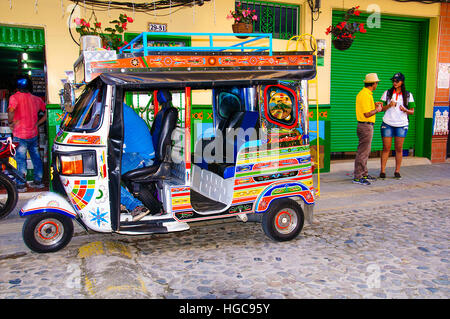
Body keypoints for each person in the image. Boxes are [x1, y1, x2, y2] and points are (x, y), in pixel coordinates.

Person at [8, 76, 46, 192]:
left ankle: (21, 184)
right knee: (36, 158)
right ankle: (38, 181)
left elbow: (11, 111)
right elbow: (46, 113)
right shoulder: (36, 99)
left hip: (20, 134)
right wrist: (38, 123)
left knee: (21, 160)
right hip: (33, 134)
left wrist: (11, 122)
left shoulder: (14, 97)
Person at [121, 103, 155, 221]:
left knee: (106, 174)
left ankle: (136, 206)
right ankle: (122, 200)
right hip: (133, 154)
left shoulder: (117, 111)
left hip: (141, 157)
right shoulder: (118, 108)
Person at [379, 72, 415, 180]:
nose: (395, 83)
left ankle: (397, 171)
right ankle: (383, 171)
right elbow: (380, 108)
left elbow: (412, 111)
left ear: (402, 82)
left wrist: (405, 110)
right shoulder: (387, 93)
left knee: (399, 148)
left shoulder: (408, 95)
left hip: (401, 124)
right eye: (393, 81)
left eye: (397, 81)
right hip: (388, 123)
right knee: (386, 148)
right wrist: (389, 105)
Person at [353, 73, 383, 185]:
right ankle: (358, 176)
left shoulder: (367, 94)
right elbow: (366, 114)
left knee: (365, 151)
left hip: (366, 126)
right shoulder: (365, 95)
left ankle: (364, 173)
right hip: (365, 126)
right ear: (373, 83)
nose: (377, 85)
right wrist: (378, 110)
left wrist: (374, 106)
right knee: (363, 152)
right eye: (377, 83)